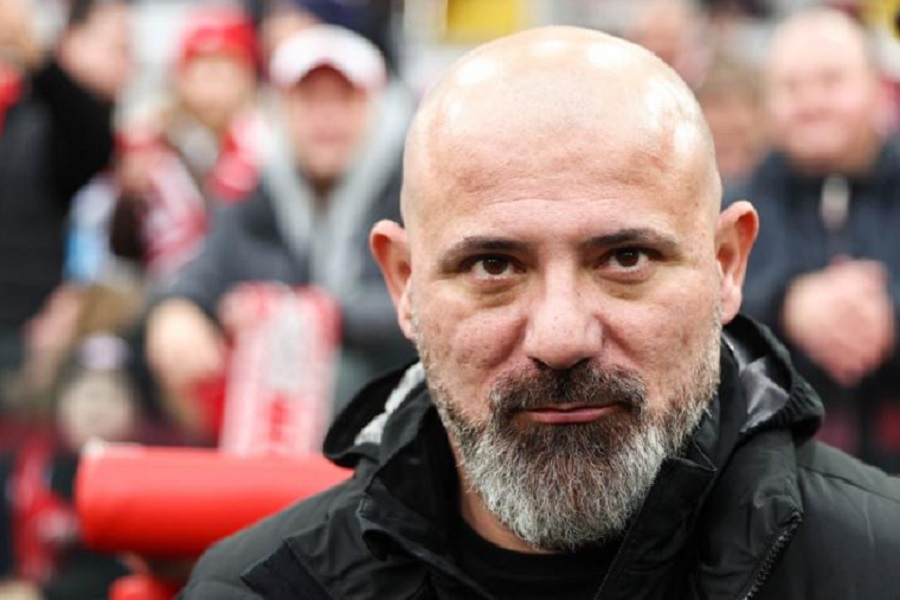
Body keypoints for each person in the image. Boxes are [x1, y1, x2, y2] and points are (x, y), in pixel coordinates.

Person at [179, 25, 900, 599]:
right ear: (404, 284)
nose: (560, 337)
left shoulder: (878, 565)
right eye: (494, 266)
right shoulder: (262, 587)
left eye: (625, 258)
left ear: (726, 265)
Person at [145, 24, 416, 438]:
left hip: (390, 419)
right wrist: (176, 310)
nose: (326, 117)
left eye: (343, 100)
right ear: (282, 111)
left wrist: (313, 314)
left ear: (372, 109)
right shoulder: (253, 192)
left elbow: (425, 305)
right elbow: (203, 272)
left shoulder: (411, 195)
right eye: (309, 100)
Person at [738, 8, 900, 472]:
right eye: (791, 86)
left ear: (876, 88)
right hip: (780, 477)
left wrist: (890, 316)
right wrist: (788, 308)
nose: (811, 103)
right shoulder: (732, 208)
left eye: (831, 81)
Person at [0, 0, 125, 413]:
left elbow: (88, 136)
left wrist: (34, 51)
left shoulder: (59, 120)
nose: (128, 64)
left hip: (28, 333)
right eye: (118, 47)